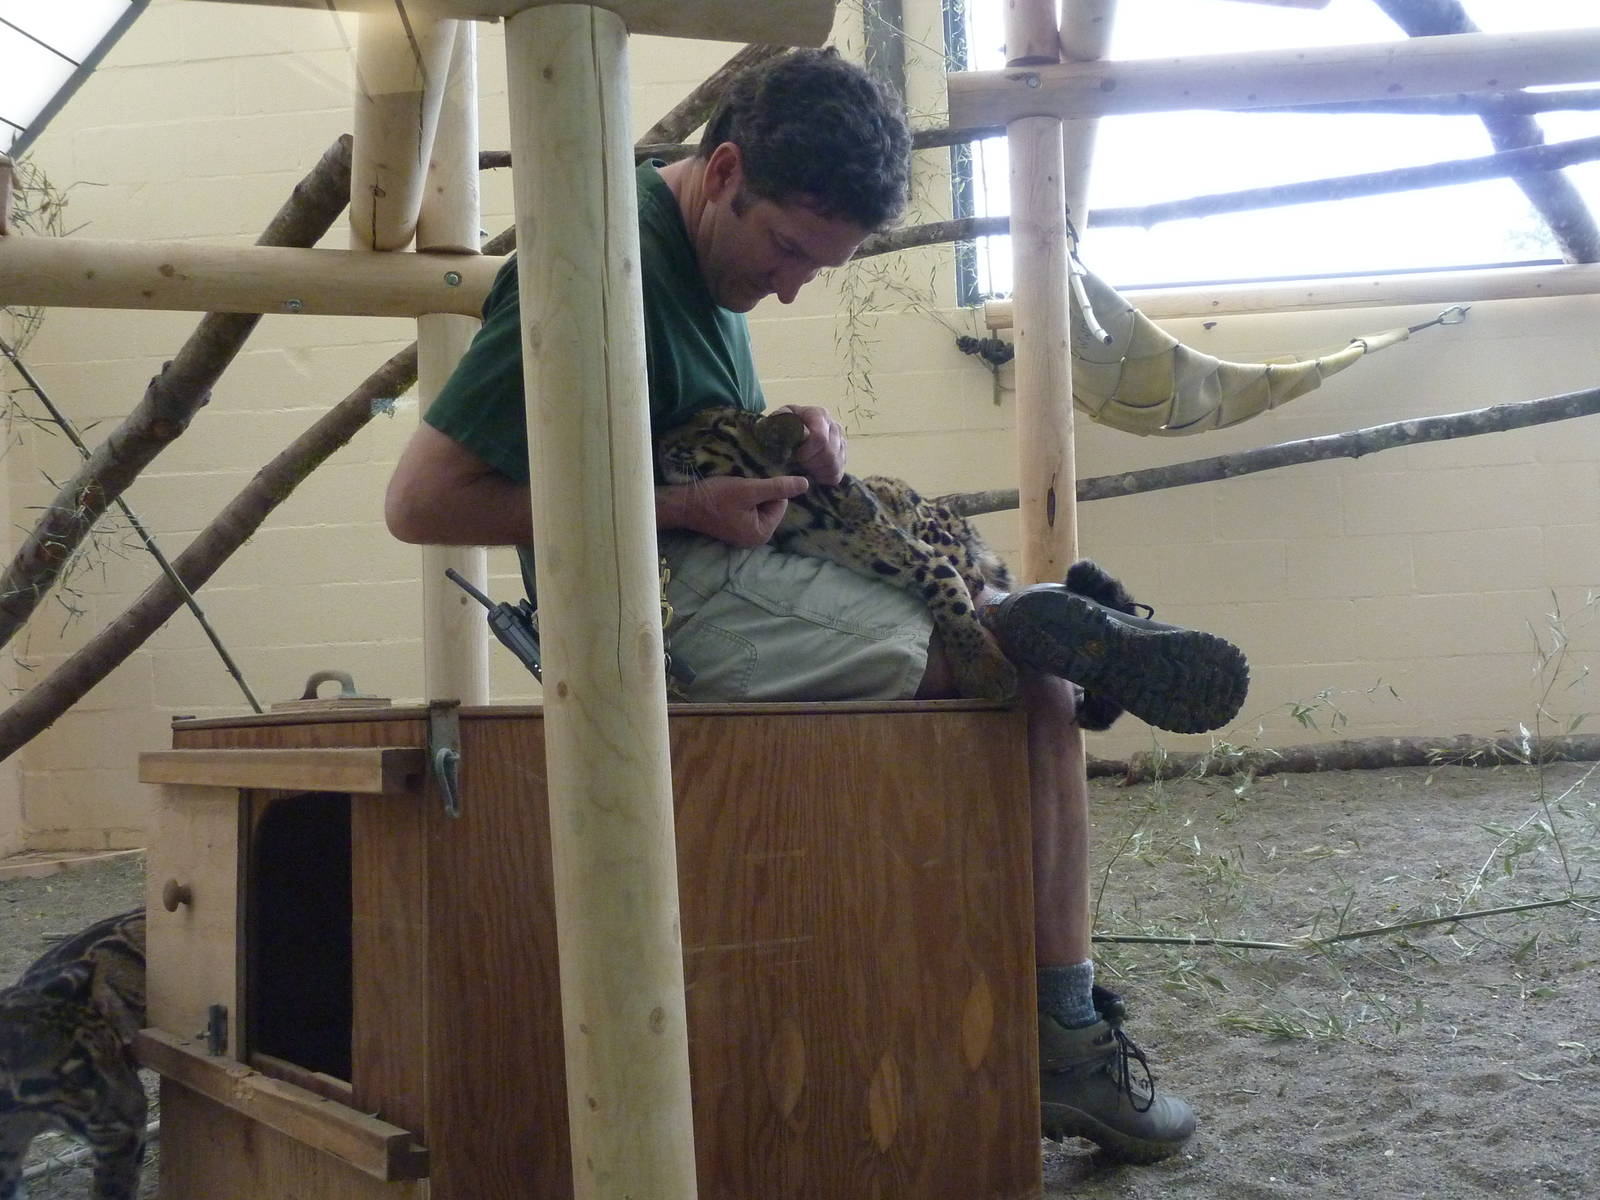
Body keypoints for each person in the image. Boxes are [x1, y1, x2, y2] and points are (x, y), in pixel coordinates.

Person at [386, 47, 1247, 1163]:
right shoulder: (600, 261)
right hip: (657, 599)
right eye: (787, 249)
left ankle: (1058, 997)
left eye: (816, 267)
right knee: (1019, 673)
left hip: (726, 556)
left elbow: (671, 429)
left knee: (1029, 681)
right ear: (724, 167)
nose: (790, 284)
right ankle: (1063, 1033)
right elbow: (422, 502)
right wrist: (688, 504)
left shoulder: (705, 259)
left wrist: (783, 436)